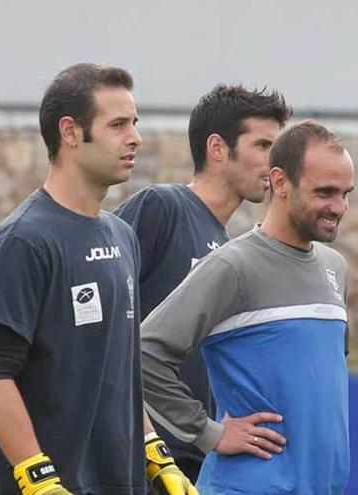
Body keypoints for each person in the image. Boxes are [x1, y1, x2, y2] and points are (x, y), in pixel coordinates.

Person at [0, 63, 196, 495]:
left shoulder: (122, 236)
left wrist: (154, 451)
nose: (135, 138)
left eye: (134, 123)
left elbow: (118, 372)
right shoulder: (23, 241)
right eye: (117, 125)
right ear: (70, 132)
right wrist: (38, 479)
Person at [140, 120, 356, 495]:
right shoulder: (232, 266)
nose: (338, 207)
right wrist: (208, 433)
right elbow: (144, 353)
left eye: (345, 193)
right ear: (280, 181)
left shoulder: (335, 267)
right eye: (324, 193)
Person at [114, 84, 292, 482]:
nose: (274, 163)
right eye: (263, 146)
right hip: (138, 458)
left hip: (192, 461)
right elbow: (105, 327)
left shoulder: (229, 250)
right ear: (217, 148)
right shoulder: (162, 207)